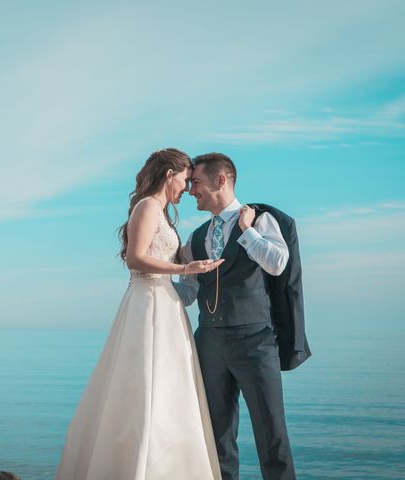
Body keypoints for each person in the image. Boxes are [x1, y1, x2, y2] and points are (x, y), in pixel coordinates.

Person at [55, 148, 223, 480]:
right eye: (185, 181)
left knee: (169, 389)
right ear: (169, 174)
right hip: (148, 305)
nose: (187, 190)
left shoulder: (161, 212)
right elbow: (135, 258)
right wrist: (184, 267)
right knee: (144, 384)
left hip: (166, 304)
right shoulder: (147, 207)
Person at [175, 152, 296, 480]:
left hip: (254, 341)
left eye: (196, 182)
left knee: (271, 434)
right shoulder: (195, 237)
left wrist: (247, 231)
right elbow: (188, 292)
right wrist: (152, 292)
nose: (190, 191)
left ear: (221, 180)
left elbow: (276, 263)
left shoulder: (260, 221)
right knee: (217, 435)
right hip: (209, 342)